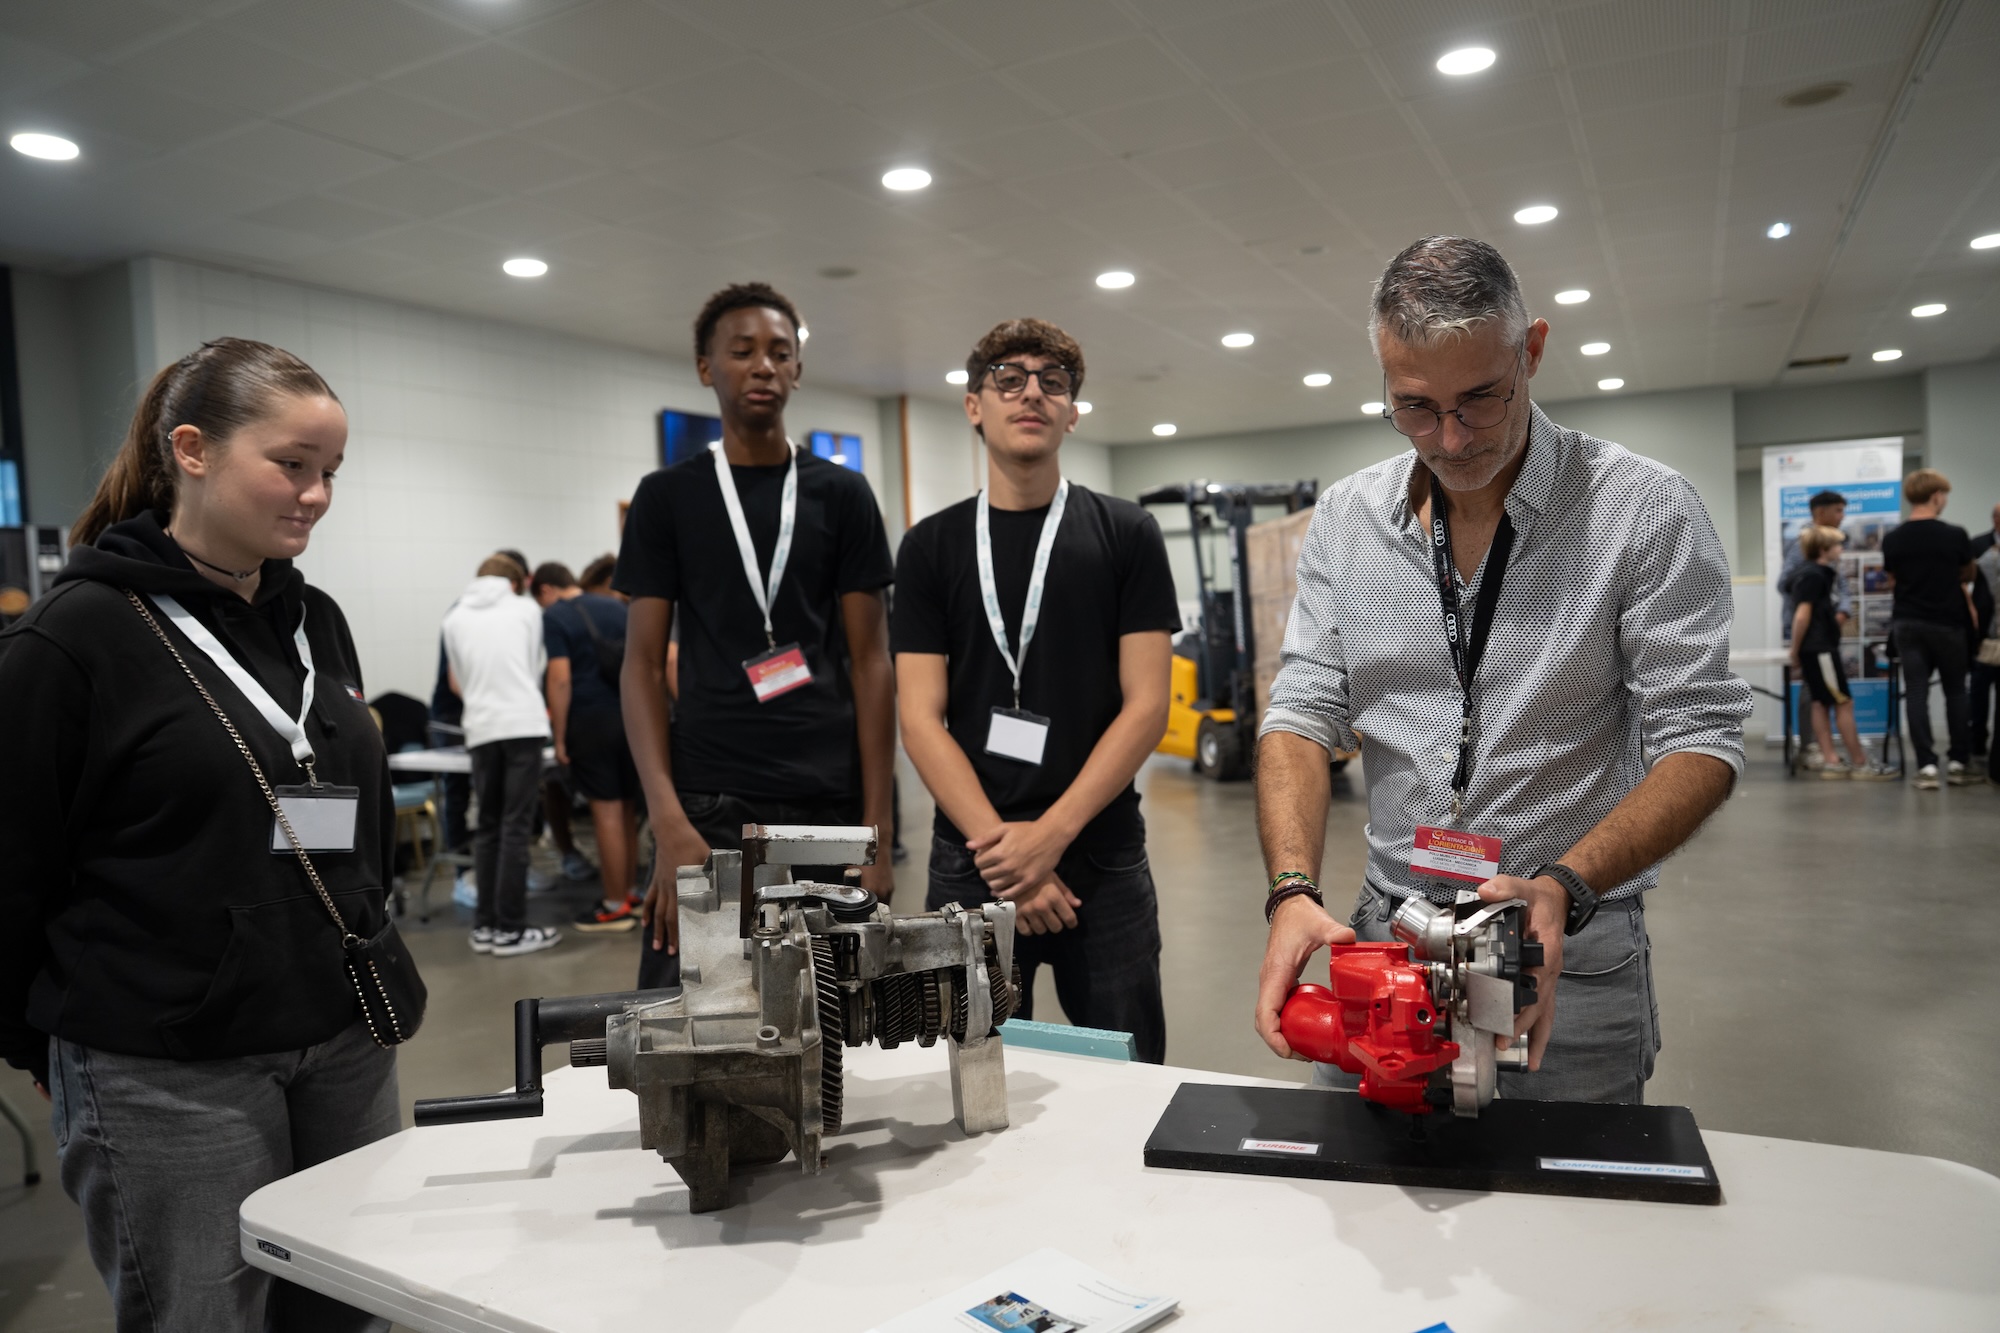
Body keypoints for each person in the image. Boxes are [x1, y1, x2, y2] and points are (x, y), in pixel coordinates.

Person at [1254, 236, 1751, 1104]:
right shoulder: (1348, 519)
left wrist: (1565, 883)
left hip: (1567, 946)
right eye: (1414, 407)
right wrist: (1291, 890)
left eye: (1481, 398)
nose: (1449, 437)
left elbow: (1702, 738)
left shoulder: (1641, 510)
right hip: (1390, 940)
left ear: (1532, 351)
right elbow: (1301, 711)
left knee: (1573, 1219)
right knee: (1378, 1204)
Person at [0, 338, 401, 1330]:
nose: (314, 494)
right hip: (170, 1063)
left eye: (330, 473)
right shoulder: (75, 636)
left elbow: (350, 809)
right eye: (291, 464)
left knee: (354, 1303)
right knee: (206, 1314)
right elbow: (11, 867)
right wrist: (54, 1046)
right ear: (192, 449)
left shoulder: (318, 622)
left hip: (340, 1033)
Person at [893, 319, 1180, 1062]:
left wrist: (1048, 838)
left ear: (1072, 410)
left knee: (1129, 1075)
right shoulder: (931, 547)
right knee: (966, 1075)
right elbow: (921, 718)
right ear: (974, 405)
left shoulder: (1127, 533)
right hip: (973, 856)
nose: (1032, 392)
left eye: (1053, 381)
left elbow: (1148, 704)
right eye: (1009, 377)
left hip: (1100, 855)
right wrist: (1005, 856)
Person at [616, 282, 896, 968]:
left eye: (780, 351)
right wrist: (667, 819)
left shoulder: (843, 493)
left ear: (798, 368)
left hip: (826, 799)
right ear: (707, 367)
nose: (763, 366)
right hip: (709, 801)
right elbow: (643, 666)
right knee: (691, 1011)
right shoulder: (667, 497)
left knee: (829, 1010)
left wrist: (880, 826)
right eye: (742, 351)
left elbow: (872, 663)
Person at [442, 554, 562, 955]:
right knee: (515, 826)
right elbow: (534, 667)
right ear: (515, 583)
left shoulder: (454, 618)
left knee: (488, 825)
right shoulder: (526, 610)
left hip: (480, 727)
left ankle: (486, 927)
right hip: (522, 724)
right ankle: (512, 928)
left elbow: (457, 680)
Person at [532, 561, 643, 932]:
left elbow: (560, 680)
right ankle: (629, 894)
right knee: (626, 809)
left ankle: (613, 906)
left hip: (590, 721)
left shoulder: (557, 616)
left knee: (606, 812)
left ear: (546, 590)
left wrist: (559, 737)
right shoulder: (616, 606)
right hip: (629, 717)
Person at [1880, 469, 1978, 789]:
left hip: (1908, 623)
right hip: (1948, 623)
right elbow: (1967, 574)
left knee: (1916, 693)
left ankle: (1926, 767)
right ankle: (1959, 761)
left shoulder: (1893, 538)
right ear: (1936, 496)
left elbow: (1893, 581)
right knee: (1956, 692)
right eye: (1944, 495)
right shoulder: (1955, 535)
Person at [1789, 525, 1892, 780]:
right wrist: (1794, 650)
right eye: (1837, 545)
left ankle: (1832, 760)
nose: (1842, 549)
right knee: (1843, 702)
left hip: (1816, 648)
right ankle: (1859, 762)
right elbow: (1802, 615)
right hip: (1820, 648)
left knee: (1820, 703)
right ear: (1824, 549)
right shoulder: (1815, 575)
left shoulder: (1813, 573)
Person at [1777, 489, 1851, 767]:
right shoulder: (1803, 544)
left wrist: (1842, 611)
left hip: (1826, 630)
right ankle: (1810, 748)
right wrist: (1816, 612)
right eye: (1838, 511)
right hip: (1811, 634)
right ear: (1820, 512)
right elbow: (1786, 584)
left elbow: (1841, 585)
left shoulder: (1834, 543)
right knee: (1812, 691)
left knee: (1822, 692)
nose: (1842, 517)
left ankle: (1824, 747)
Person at [1967, 502, 1999, 765]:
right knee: (1978, 690)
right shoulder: (1978, 546)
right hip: (1984, 633)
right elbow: (1965, 583)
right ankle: (1977, 741)